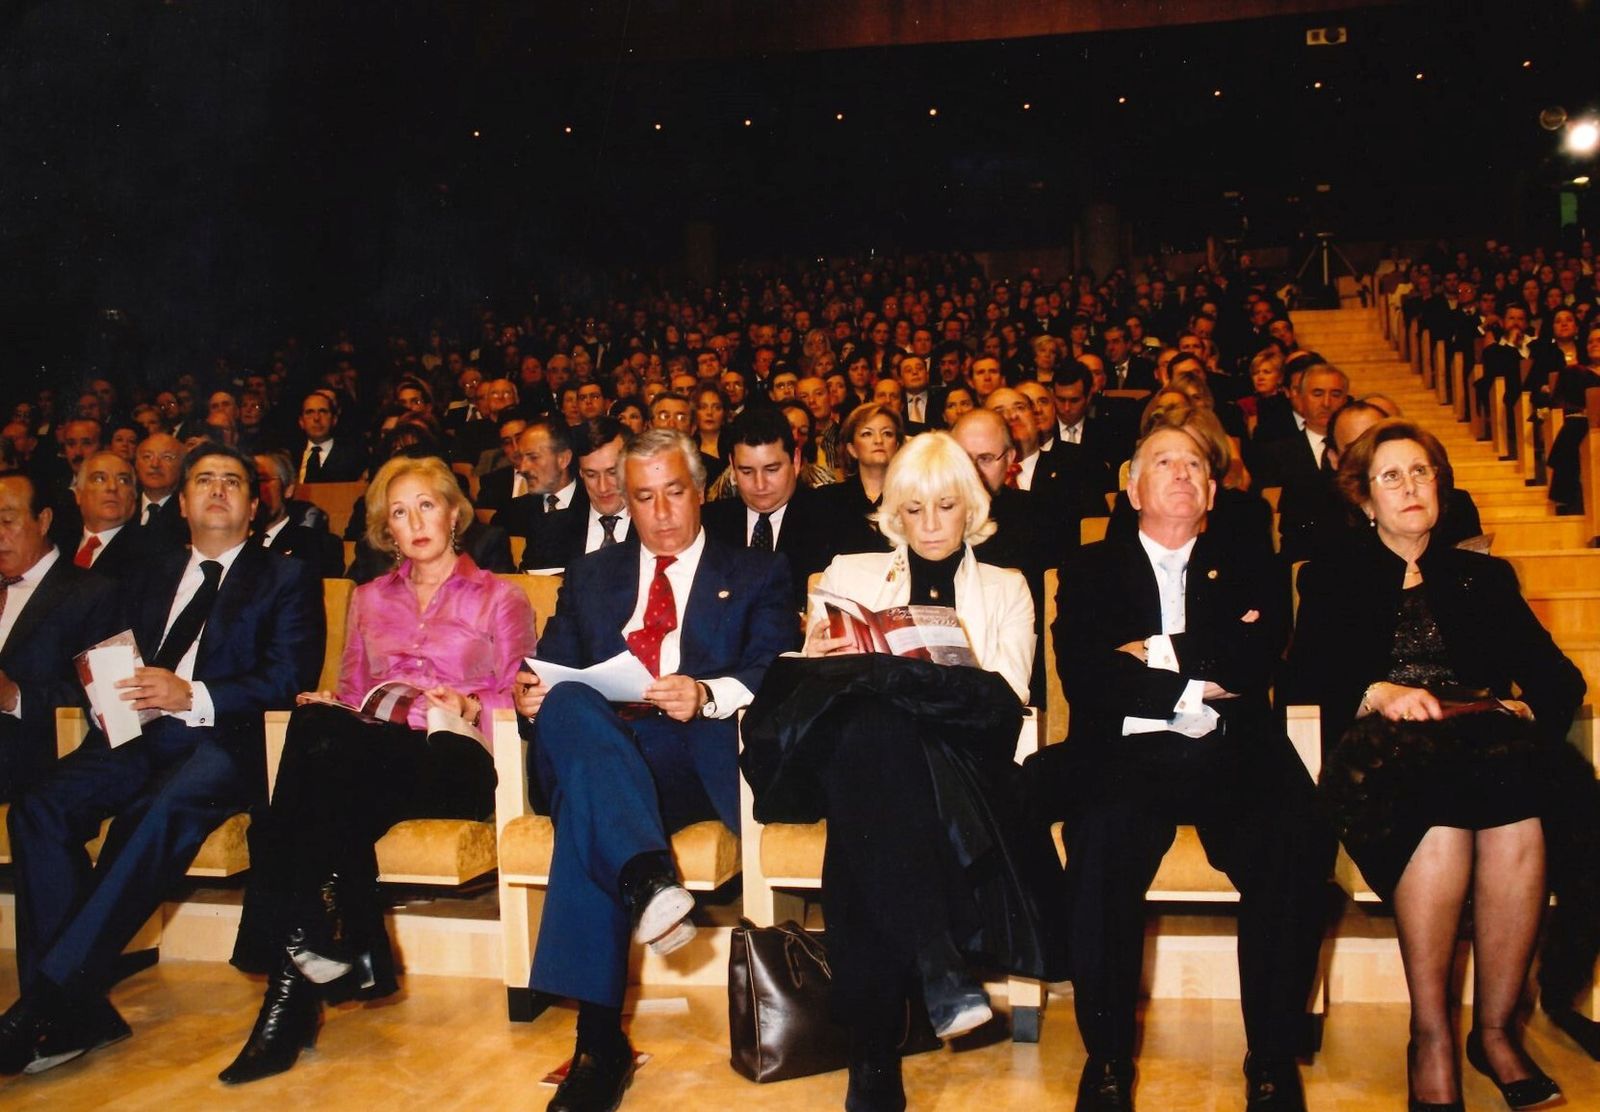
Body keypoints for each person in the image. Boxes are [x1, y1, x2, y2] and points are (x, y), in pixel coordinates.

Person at [742, 431, 1050, 1112]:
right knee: (871, 741)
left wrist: (941, 663)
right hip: (867, 763)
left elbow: (1009, 704)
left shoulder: (1007, 588)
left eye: (946, 506)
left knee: (867, 810)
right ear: (895, 514)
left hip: (959, 773)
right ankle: (936, 965)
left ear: (970, 508)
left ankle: (874, 1060)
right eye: (915, 509)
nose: (933, 524)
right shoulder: (849, 575)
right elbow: (809, 704)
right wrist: (811, 656)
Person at [0, 443, 324, 1077]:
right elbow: (110, 656)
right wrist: (108, 696)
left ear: (255, 506)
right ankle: (74, 1008)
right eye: (204, 480)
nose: (218, 491)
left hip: (226, 742)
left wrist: (192, 694)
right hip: (136, 736)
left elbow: (288, 677)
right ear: (182, 503)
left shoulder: (284, 576)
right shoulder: (147, 574)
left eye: (233, 482)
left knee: (157, 809)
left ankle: (45, 1000)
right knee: (40, 808)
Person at [1288, 418, 1583, 1111]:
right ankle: (1432, 1036)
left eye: (1422, 472)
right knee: (1445, 817)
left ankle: (1497, 1031)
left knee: (1520, 818)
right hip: (1382, 754)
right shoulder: (1331, 576)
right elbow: (1301, 680)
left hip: (1480, 744)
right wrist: (1376, 691)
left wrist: (1518, 708)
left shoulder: (1482, 575)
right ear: (1365, 499)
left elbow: (1558, 679)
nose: (1411, 487)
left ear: (1441, 488)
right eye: (1392, 476)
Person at [1044, 423, 1334, 1112]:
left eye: (1196, 466)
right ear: (1132, 486)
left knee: (1292, 840)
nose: (1182, 474)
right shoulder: (1086, 568)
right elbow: (1086, 676)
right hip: (1122, 753)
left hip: (1235, 750)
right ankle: (1108, 1057)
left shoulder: (1253, 564)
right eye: (1164, 462)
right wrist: (1198, 674)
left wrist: (1149, 655)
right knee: (1101, 846)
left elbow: (1256, 660)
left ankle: (1270, 1058)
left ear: (1211, 491)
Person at [220, 454, 536, 1083]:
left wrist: (472, 702)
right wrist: (330, 703)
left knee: (311, 777)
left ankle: (317, 961)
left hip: (454, 755)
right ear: (386, 529)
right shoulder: (366, 599)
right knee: (315, 726)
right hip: (371, 753)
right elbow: (351, 688)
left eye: (426, 504)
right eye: (399, 511)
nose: (414, 520)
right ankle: (323, 955)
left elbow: (522, 695)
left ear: (453, 513)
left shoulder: (501, 595)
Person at [509, 429, 794, 1112]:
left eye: (675, 493)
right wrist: (527, 695)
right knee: (574, 703)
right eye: (644, 497)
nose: (663, 513)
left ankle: (597, 1041)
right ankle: (645, 877)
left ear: (700, 491)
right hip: (592, 743)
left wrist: (706, 692)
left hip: (685, 760)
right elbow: (547, 665)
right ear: (623, 501)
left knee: (593, 804)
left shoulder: (754, 571)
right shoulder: (590, 575)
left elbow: (775, 666)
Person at [0, 472, 119, 800]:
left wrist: (14, 697)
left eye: (7, 520)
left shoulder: (94, 593)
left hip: (35, 754)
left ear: (44, 520)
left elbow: (108, 703)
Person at [701, 406, 831, 610]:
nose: (760, 484)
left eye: (771, 470)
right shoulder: (707, 524)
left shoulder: (833, 519)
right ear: (732, 467)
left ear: (796, 462)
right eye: (746, 471)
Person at [523, 417, 633, 570]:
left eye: (612, 473)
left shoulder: (654, 528)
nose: (603, 487)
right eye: (591, 474)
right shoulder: (549, 530)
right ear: (580, 472)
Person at [813, 402, 903, 563]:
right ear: (852, 449)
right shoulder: (827, 499)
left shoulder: (912, 499)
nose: (878, 440)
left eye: (887, 433)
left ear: (897, 446)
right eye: (867, 434)